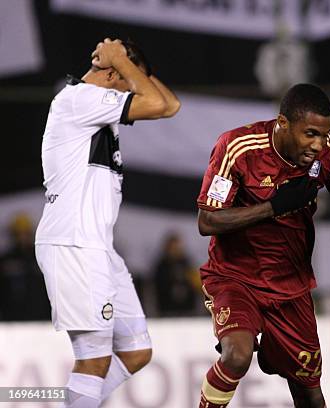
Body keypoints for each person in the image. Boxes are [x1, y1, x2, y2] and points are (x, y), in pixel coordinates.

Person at [196, 83, 330, 408]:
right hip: (234, 278)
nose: (318, 144)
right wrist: (273, 207)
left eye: (324, 135)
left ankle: (272, 352)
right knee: (236, 357)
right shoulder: (238, 148)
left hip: (290, 287)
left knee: (310, 392)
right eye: (310, 133)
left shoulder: (329, 155)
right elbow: (208, 220)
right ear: (283, 122)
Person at [34, 38, 180, 407]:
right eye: (127, 80)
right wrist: (122, 63)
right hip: (74, 243)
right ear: (114, 74)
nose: (132, 88)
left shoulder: (94, 107)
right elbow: (160, 104)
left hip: (97, 247)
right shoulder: (78, 99)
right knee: (93, 358)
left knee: (136, 352)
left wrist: (131, 66)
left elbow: (170, 105)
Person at [0, 213, 50, 320]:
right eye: (18, 234)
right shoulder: (6, 259)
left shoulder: (40, 256)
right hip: (11, 315)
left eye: (25, 233)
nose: (22, 237)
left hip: (40, 314)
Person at [154, 232, 199, 316]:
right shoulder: (161, 265)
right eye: (173, 247)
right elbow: (158, 286)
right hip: (167, 310)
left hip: (188, 310)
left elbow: (195, 283)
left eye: (177, 247)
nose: (175, 250)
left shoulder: (186, 263)